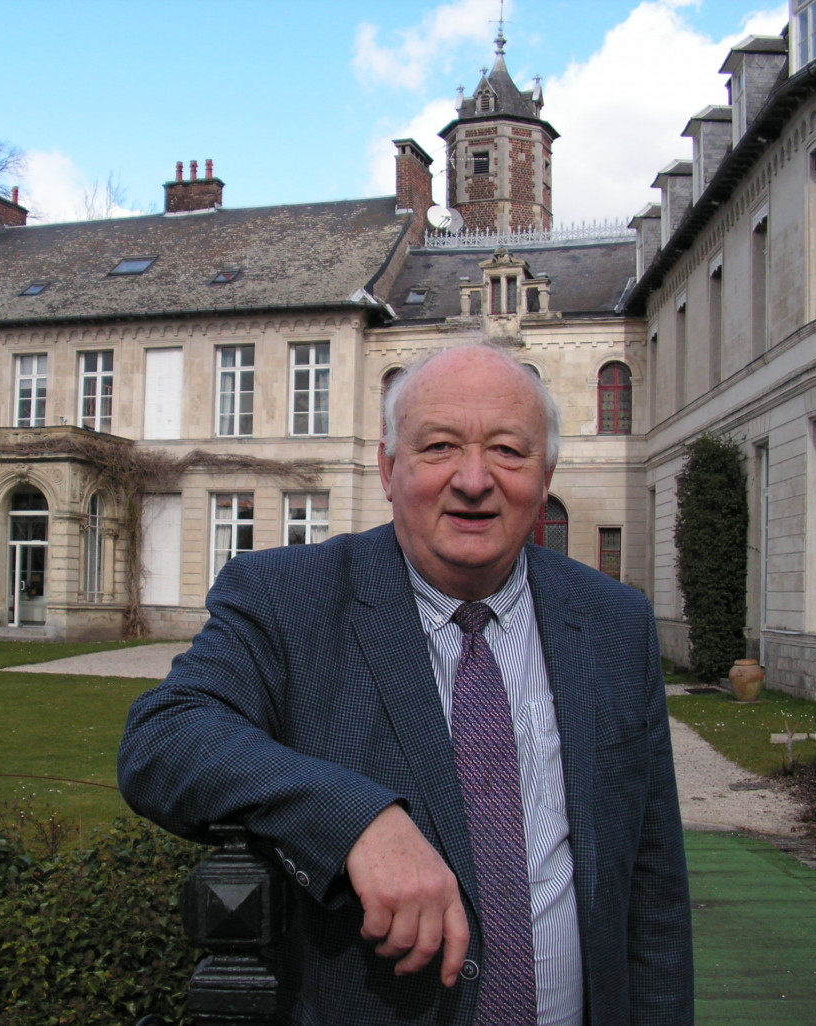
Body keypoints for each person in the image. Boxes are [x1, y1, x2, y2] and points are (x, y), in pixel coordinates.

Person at [118, 344, 692, 1026]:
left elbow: (652, 891)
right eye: (440, 446)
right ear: (390, 469)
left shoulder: (614, 624)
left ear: (546, 475)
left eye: (508, 450)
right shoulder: (288, 599)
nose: (474, 479)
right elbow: (165, 736)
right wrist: (356, 820)